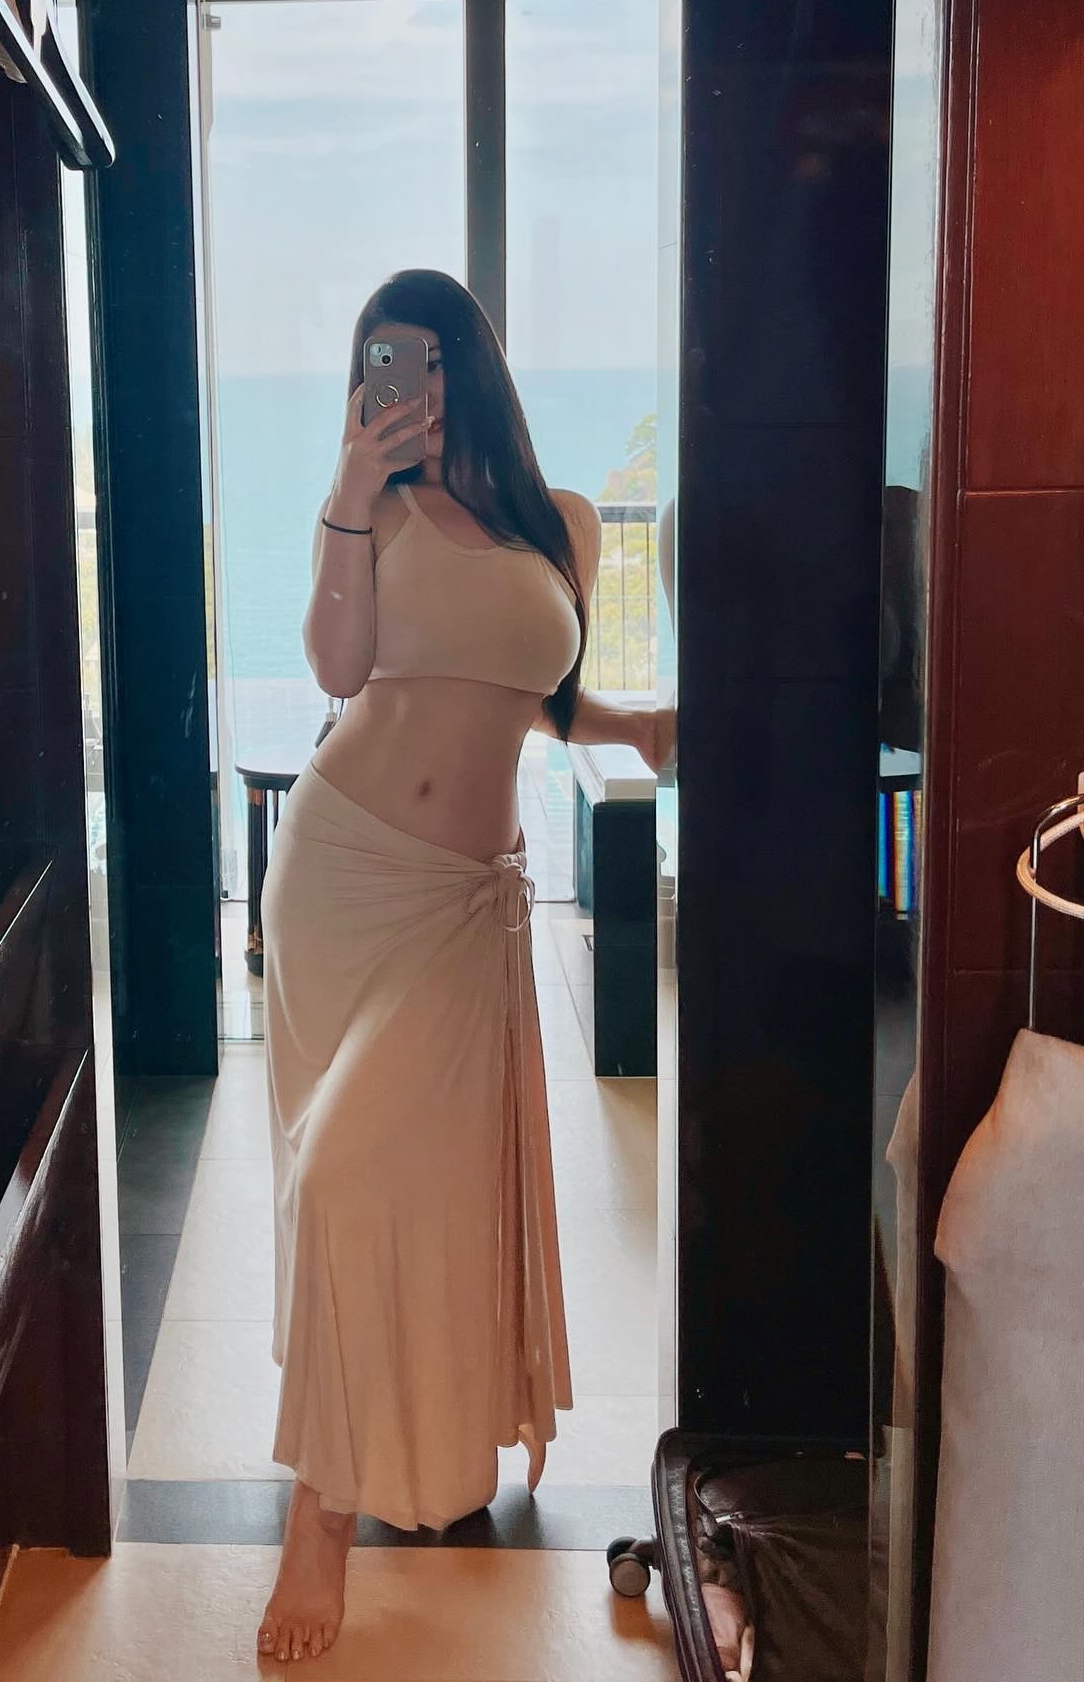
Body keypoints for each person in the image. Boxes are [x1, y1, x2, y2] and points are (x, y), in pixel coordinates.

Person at [257, 270, 672, 1664]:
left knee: (405, 1179)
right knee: (340, 1170)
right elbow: (339, 669)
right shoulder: (372, 506)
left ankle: (422, 1440)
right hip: (341, 875)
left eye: (432, 362)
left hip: (462, 905)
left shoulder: (560, 524)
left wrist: (640, 727)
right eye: (389, 366)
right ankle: (321, 1513)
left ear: (471, 368)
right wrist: (347, 490)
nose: (413, 391)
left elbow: (535, 695)